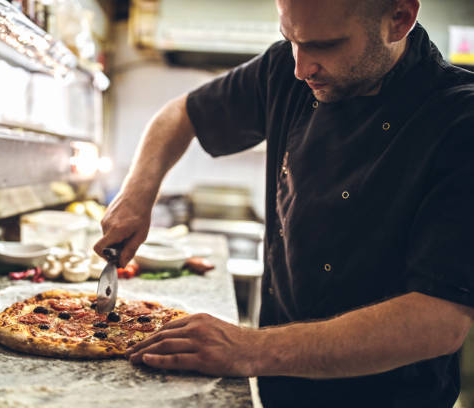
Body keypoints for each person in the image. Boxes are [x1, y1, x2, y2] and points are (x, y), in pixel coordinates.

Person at [94, 0, 474, 406]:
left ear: (399, 19)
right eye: (290, 40)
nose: (301, 67)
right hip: (282, 389)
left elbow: (438, 322)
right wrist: (136, 193)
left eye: (325, 45)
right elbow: (180, 115)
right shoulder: (284, 69)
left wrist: (247, 348)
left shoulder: (458, 120)